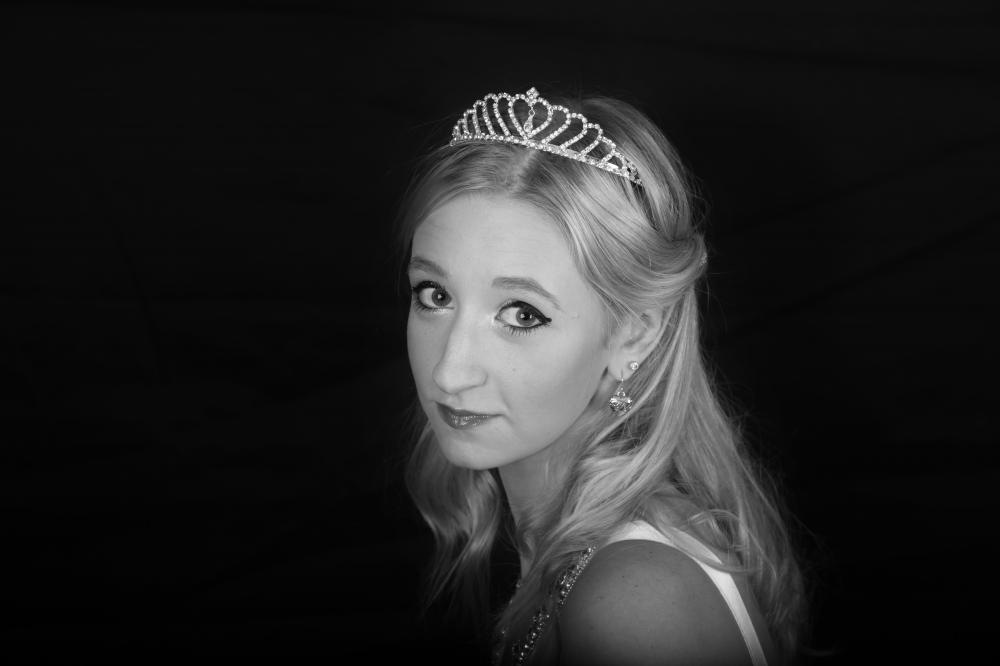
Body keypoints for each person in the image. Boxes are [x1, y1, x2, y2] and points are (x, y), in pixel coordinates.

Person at [396, 86, 807, 665]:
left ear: (634, 334)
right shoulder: (597, 555)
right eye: (434, 295)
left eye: (522, 314)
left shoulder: (635, 603)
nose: (449, 369)